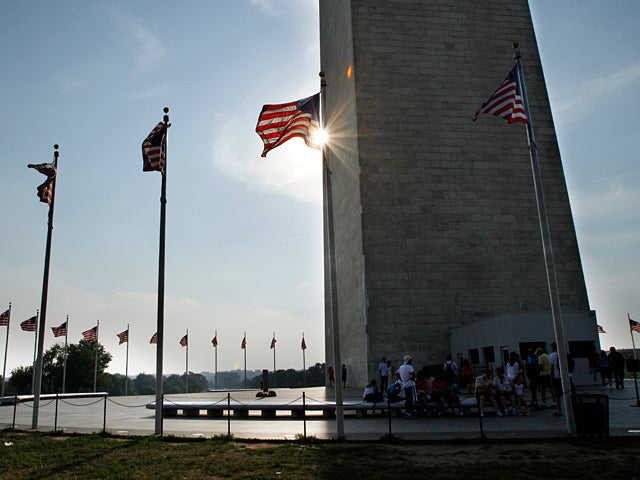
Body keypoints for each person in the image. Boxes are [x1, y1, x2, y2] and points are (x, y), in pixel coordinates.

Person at [549, 342, 562, 416]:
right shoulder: (562, 353)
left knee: (557, 395)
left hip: (556, 377)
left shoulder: (552, 356)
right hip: (564, 376)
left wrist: (551, 378)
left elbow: (552, 368)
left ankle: (559, 410)